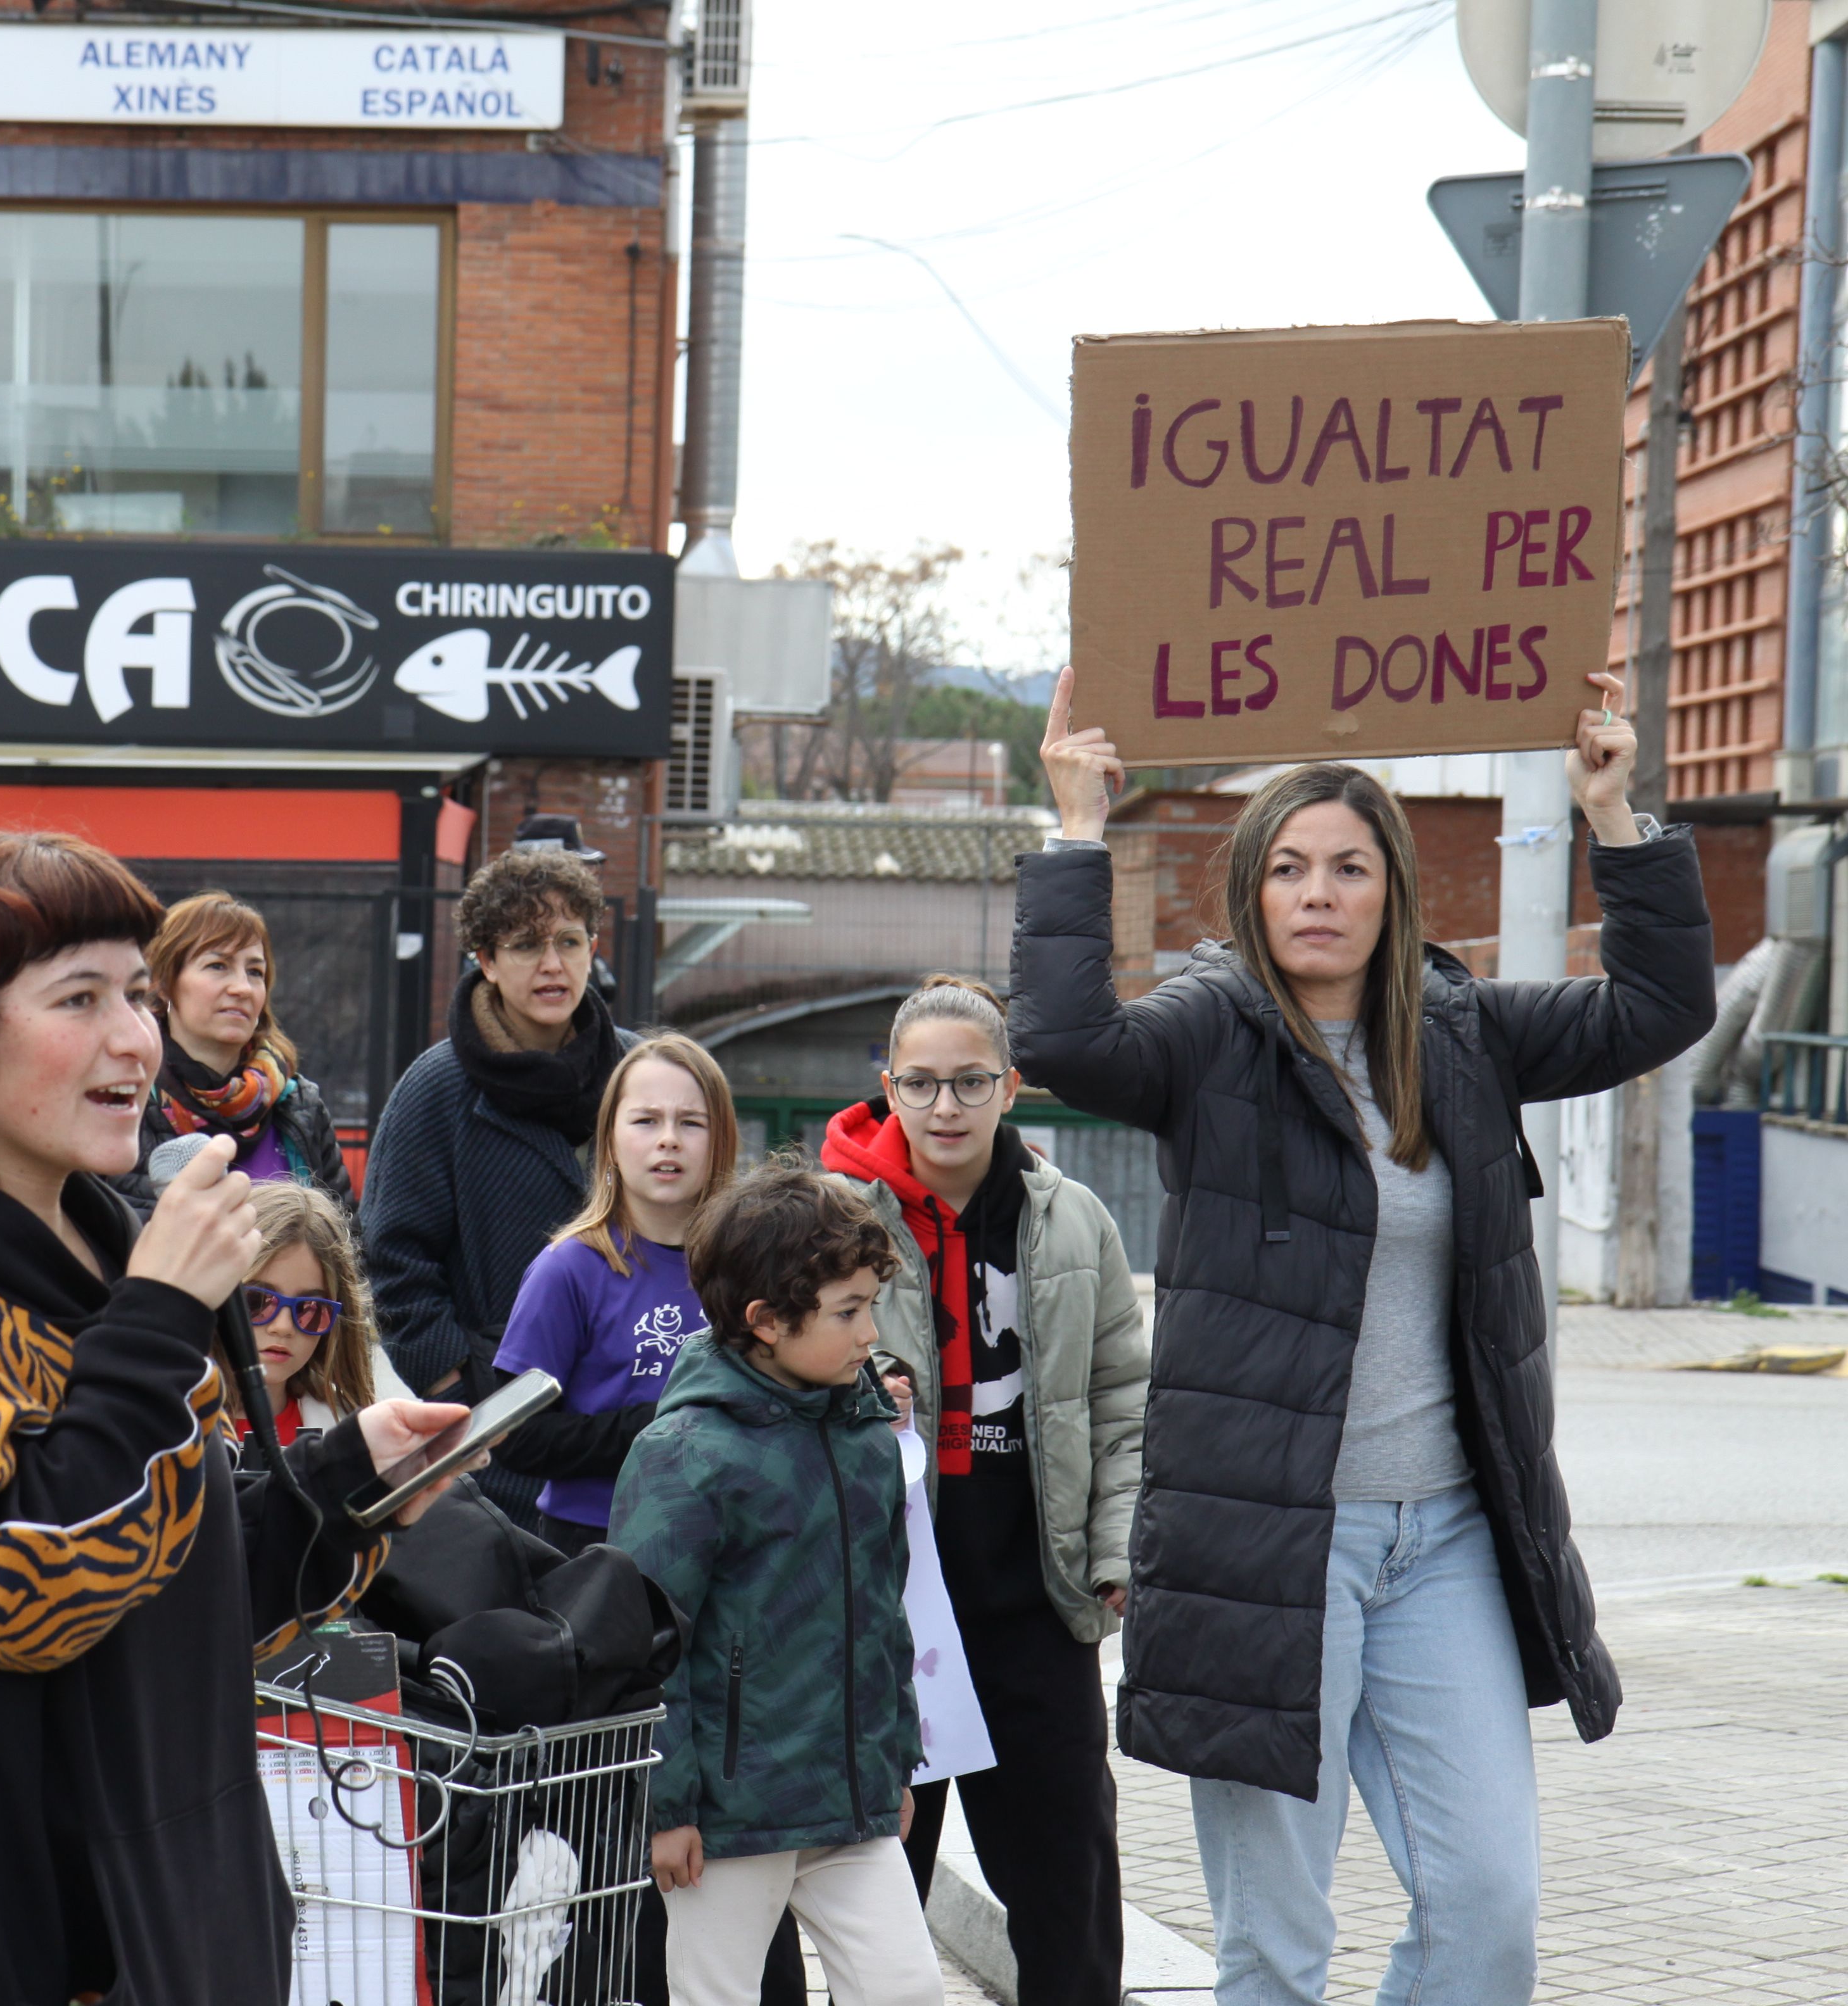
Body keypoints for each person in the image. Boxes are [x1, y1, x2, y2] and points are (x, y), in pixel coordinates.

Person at [1015, 665, 1717, 2004]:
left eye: (1347, 867)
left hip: (1444, 1539)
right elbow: (1065, 1038)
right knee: (1277, 1949)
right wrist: (1076, 831)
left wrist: (1613, 815)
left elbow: (1657, 1009)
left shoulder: (1461, 1035)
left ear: (1391, 888)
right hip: (1268, 1552)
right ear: (1254, 893)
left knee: (1489, 1914)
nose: (1320, 894)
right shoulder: (1207, 1037)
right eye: (1289, 869)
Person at [0, 829, 472, 2005]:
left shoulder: (109, 1247)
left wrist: (341, 1488)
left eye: (137, 991)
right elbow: (14, 1585)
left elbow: (171, 1600)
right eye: (79, 997)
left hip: (154, 1931)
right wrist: (154, 1322)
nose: (135, 1036)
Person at [820, 973, 1146, 2006]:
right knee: (879, 1889)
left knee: (1065, 1888)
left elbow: (1122, 1395)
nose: (945, 1106)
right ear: (886, 1087)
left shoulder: (1071, 1219)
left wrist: (1111, 1554)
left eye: (969, 1080)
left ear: (1011, 1087)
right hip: (886, 1614)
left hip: (1035, 1611)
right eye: (920, 1083)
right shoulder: (830, 1215)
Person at [611, 1161, 942, 2006]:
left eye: (871, 1303)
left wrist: (893, 1762)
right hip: (727, 1817)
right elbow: (645, 1649)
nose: (872, 1332)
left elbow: (883, 1622)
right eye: (848, 1311)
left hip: (851, 1801)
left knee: (906, 1992)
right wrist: (667, 1806)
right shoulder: (684, 1453)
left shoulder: (867, 1437)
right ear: (764, 1321)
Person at [362, 838, 633, 1530]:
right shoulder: (436, 1088)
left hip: (638, 1409)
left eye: (570, 941)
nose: (553, 965)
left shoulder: (641, 1072)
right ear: (485, 959)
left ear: (594, 947)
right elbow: (392, 1262)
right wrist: (467, 1392)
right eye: (525, 945)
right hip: (504, 1436)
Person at [492, 1033, 740, 1556]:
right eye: (646, 1120)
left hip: (730, 1536)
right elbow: (515, 1437)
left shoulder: (751, 1267)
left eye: (691, 1122)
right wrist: (659, 1425)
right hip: (595, 1544)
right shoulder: (568, 1269)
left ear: (722, 1141)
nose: (668, 1139)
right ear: (610, 1140)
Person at [131, 890, 354, 1206]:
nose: (242, 988)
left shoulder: (300, 1106)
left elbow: (345, 1243)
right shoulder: (132, 1100)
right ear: (165, 985)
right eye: (218, 966)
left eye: (255, 972)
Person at [227, 1178, 411, 1444]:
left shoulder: (355, 1431)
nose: (283, 1326)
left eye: (311, 1310)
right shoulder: (159, 1421)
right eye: (256, 1302)